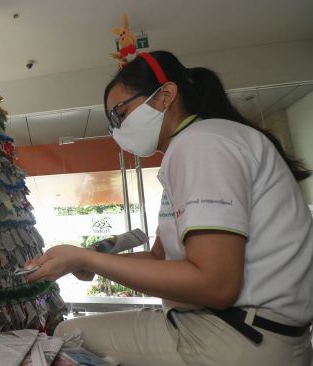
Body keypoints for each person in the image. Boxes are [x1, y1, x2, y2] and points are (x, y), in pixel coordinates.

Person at [26, 51, 313, 365]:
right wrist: (88, 263)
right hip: (239, 328)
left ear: (165, 96)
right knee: (68, 330)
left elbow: (216, 285)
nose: (117, 129)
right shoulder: (198, 144)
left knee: (67, 336)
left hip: (236, 338)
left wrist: (85, 256)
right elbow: (160, 259)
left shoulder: (201, 144)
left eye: (120, 114)